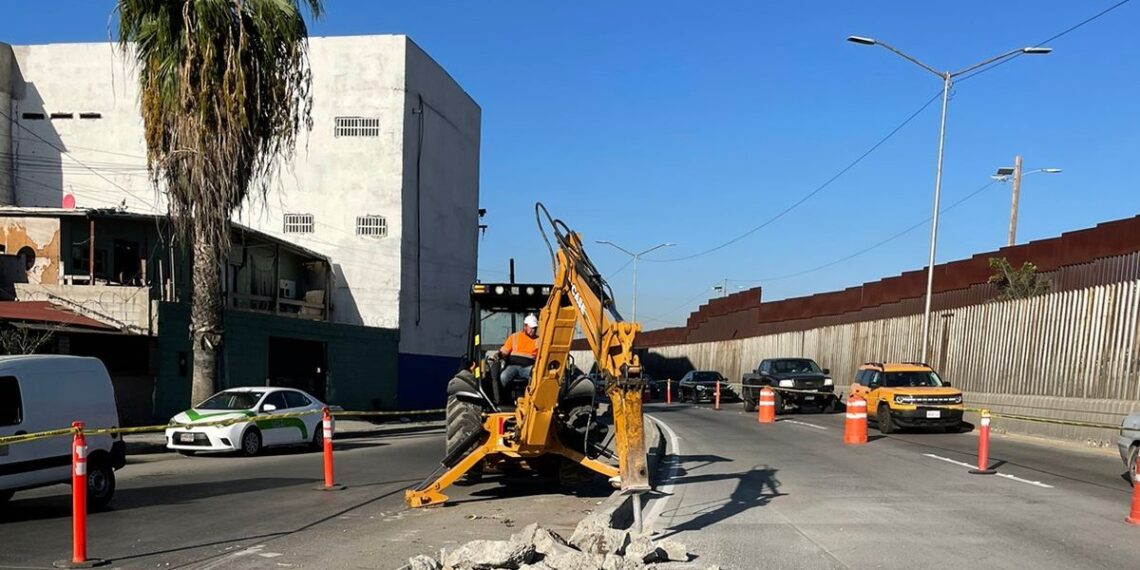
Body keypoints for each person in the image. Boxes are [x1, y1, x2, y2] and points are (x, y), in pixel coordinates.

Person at [499, 314, 539, 388]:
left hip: (528, 367)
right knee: (503, 377)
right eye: (531, 328)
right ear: (525, 326)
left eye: (534, 328)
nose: (532, 330)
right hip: (513, 366)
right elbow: (505, 351)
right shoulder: (514, 337)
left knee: (537, 377)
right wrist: (500, 354)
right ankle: (503, 397)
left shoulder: (538, 341)